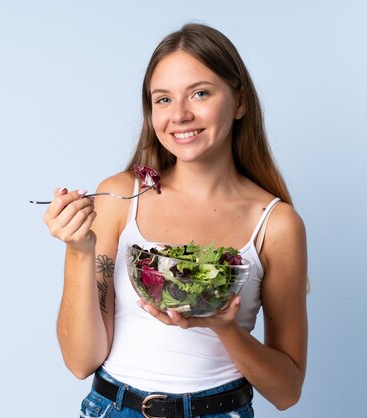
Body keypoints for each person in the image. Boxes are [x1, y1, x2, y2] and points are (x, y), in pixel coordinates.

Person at [43, 23, 308, 417]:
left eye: (200, 93)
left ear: (239, 102)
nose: (180, 115)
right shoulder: (120, 198)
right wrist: (79, 250)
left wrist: (224, 327)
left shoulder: (276, 223)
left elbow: (286, 392)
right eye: (163, 99)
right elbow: (81, 361)